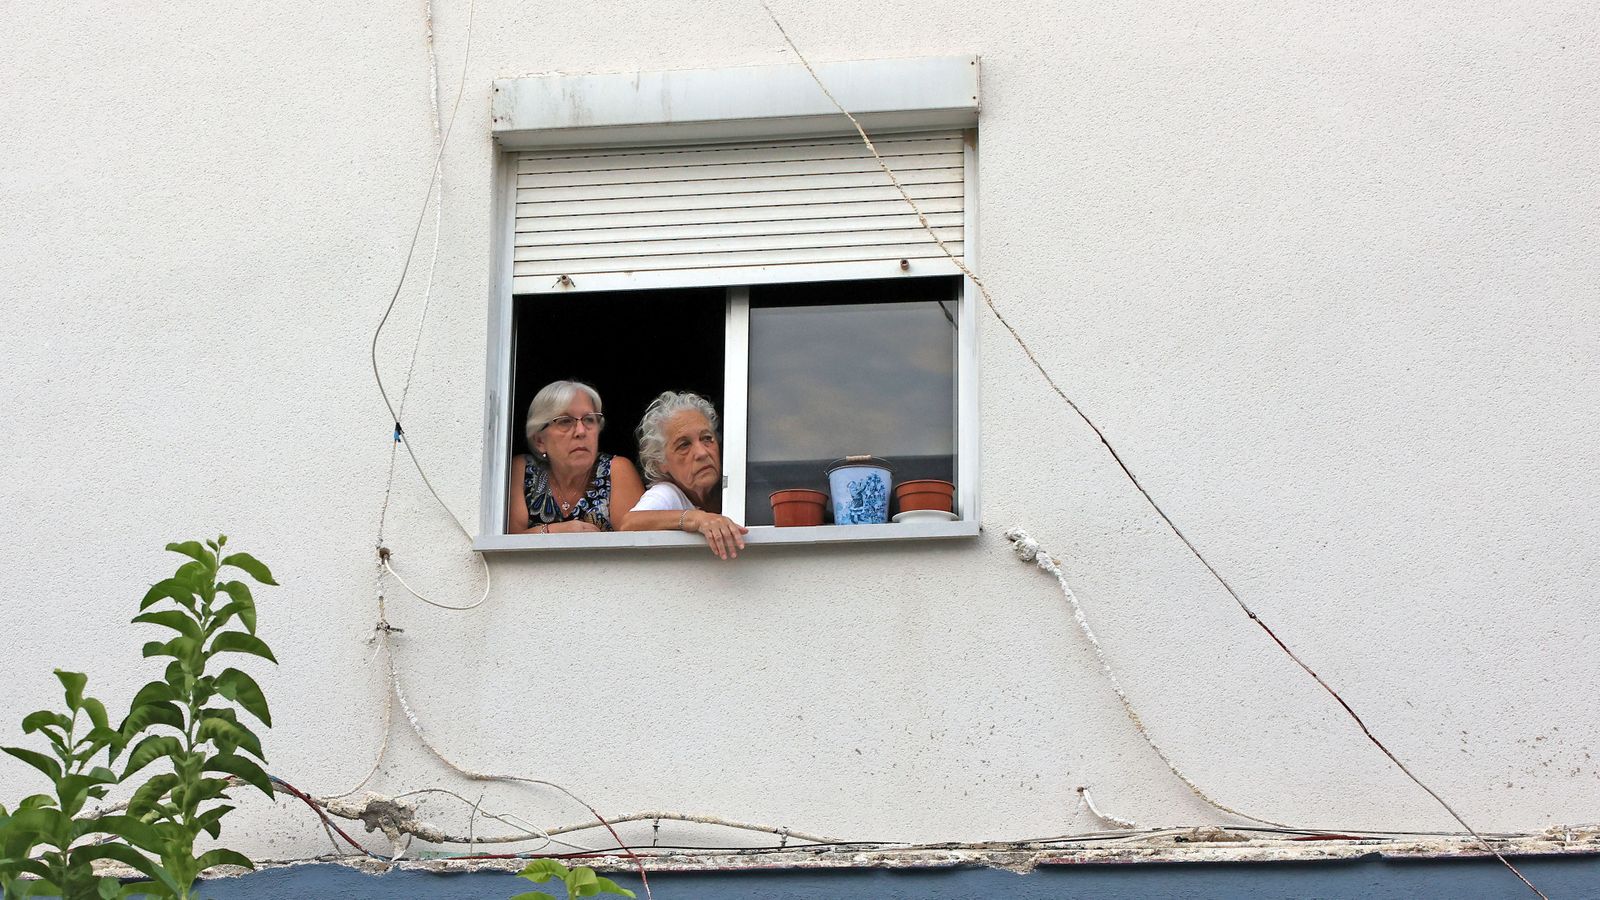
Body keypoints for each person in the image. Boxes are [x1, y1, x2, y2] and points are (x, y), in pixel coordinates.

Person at [622, 391, 749, 559]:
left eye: (707, 438)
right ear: (661, 462)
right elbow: (629, 524)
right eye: (684, 445)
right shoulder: (668, 493)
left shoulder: (737, 481)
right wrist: (696, 519)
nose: (702, 453)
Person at [508, 380, 644, 534]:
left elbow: (633, 544)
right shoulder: (523, 470)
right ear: (540, 441)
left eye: (589, 419)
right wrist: (556, 532)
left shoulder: (617, 469)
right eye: (565, 421)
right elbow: (507, 544)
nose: (581, 431)